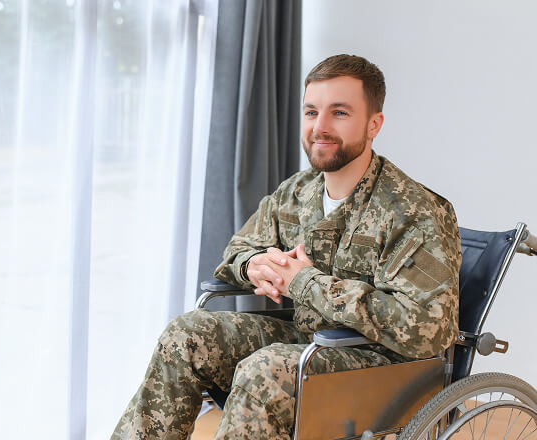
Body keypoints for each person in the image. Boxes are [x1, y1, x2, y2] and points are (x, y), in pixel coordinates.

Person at [111, 54, 461, 440]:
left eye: (339, 113)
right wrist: (255, 264)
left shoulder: (414, 211)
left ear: (373, 124)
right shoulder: (298, 191)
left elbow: (428, 330)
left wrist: (305, 282)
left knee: (265, 371)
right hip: (309, 341)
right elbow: (238, 250)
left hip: (384, 367)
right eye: (311, 112)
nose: (320, 127)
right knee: (185, 334)